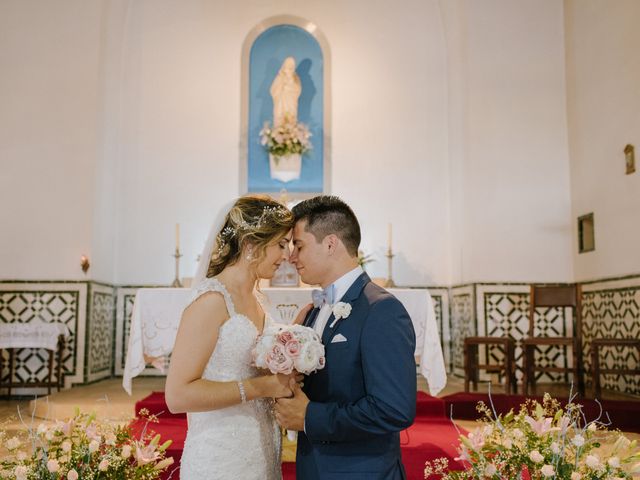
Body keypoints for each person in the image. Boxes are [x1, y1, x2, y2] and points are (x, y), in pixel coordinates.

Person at [274, 195, 417, 479]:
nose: (291, 258)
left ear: (330, 244)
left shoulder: (381, 310)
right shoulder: (315, 310)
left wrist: (309, 417)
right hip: (314, 465)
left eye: (299, 246)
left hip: (360, 470)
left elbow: (394, 409)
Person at [165, 195, 299, 480]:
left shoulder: (259, 300)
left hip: (261, 450)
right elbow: (177, 396)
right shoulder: (212, 301)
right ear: (252, 245)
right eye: (280, 244)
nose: (287, 255)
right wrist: (261, 387)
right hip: (220, 457)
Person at [270, 56, 301, 127]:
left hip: (291, 102)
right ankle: (278, 133)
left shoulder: (296, 78)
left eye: (292, 65)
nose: (290, 67)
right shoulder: (280, 77)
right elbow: (273, 90)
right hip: (281, 102)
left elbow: (298, 90)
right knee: (280, 118)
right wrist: (282, 87)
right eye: (288, 65)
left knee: (291, 118)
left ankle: (292, 133)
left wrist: (289, 88)